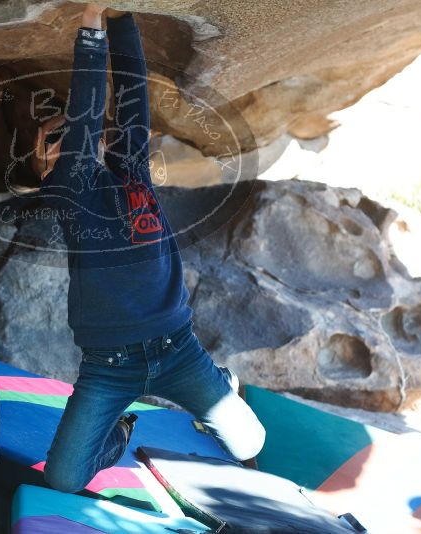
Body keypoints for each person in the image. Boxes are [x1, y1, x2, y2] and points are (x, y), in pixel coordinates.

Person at [31, 5, 266, 493]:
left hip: (177, 349)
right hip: (108, 368)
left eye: (65, 135)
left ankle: (221, 383)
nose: (67, 141)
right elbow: (88, 106)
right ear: (41, 169)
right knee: (63, 479)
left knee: (251, 443)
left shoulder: (130, 170)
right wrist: (91, 21)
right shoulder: (68, 190)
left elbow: (132, 99)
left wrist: (120, 20)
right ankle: (117, 434)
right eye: (52, 141)